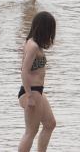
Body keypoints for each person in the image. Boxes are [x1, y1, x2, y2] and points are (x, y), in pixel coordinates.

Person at [18, 11, 57, 152]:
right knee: (31, 132)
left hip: (36, 91)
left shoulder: (33, 43)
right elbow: (24, 71)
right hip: (31, 92)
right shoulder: (33, 46)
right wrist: (29, 96)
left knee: (50, 123)